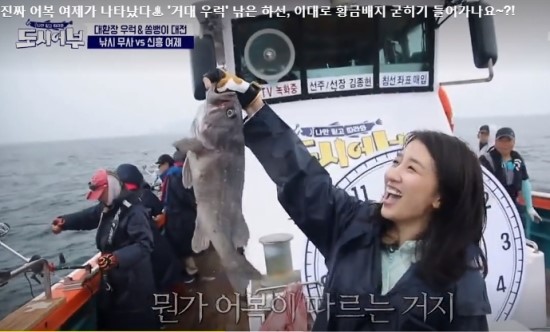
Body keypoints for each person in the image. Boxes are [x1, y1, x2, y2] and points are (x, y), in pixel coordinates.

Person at [201, 69, 491, 330]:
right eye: (397, 162)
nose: (392, 174)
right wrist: (255, 105)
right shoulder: (351, 224)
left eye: (411, 168)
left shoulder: (460, 276)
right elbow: (303, 179)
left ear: (440, 197)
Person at [51, 169, 159, 330]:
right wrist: (64, 222)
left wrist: (116, 258)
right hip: (113, 280)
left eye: (101, 193)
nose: (99, 198)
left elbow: (144, 245)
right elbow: (87, 217)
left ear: (113, 187)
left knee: (137, 322)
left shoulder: (135, 211)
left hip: (134, 283)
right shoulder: (107, 207)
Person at [115, 163, 182, 292]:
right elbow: (160, 212)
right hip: (154, 245)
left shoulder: (115, 202)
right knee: (168, 274)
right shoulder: (146, 195)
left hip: (132, 253)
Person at [479, 127, 542, 225]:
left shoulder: (517, 159)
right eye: (501, 141)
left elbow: (525, 181)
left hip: (513, 204)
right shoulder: (485, 160)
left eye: (508, 141)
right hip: (491, 206)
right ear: (495, 142)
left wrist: (530, 207)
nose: (505, 144)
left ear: (514, 142)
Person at [157, 151, 199, 283]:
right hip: (186, 214)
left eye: (160, 165)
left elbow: (183, 196)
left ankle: (191, 273)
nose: (159, 168)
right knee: (184, 243)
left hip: (178, 216)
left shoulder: (173, 175)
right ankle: (189, 270)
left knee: (181, 245)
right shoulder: (185, 172)